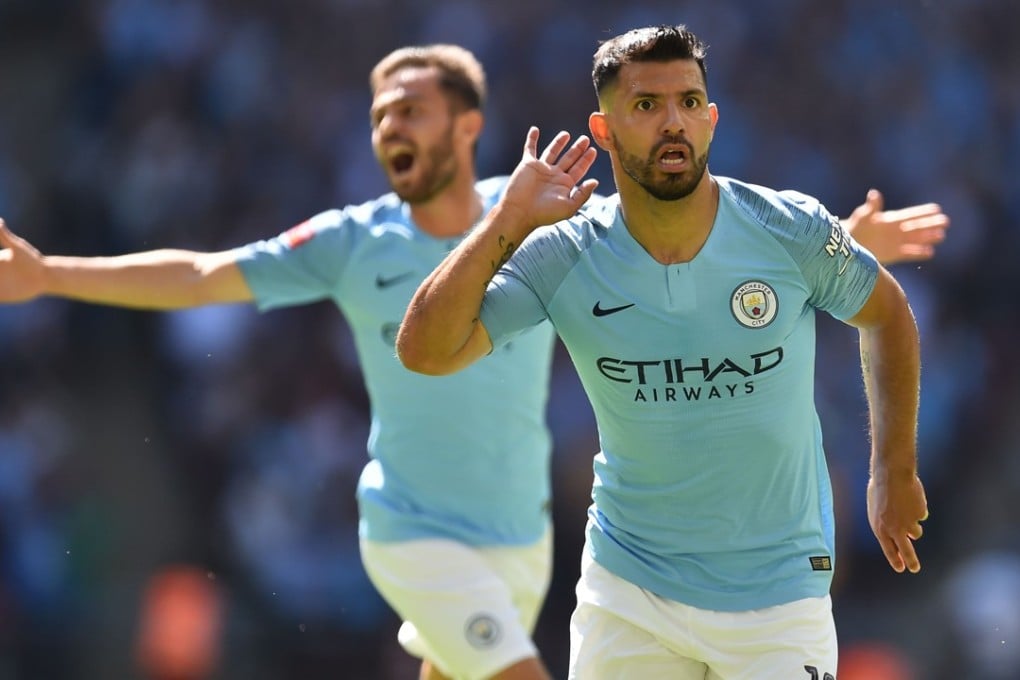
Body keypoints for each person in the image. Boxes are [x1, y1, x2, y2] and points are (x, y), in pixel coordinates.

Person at [0, 40, 943, 680]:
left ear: (467, 126)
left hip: (520, 536)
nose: (389, 131)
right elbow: (206, 275)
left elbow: (695, 242)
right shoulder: (372, 238)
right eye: (378, 116)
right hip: (416, 528)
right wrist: (47, 277)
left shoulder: (545, 213)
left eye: (409, 111)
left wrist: (827, 249)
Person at [396, 25, 930, 680]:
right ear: (605, 129)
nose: (672, 122)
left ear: (710, 120)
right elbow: (424, 350)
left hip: (779, 593)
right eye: (646, 106)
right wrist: (502, 223)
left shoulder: (786, 229)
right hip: (630, 589)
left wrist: (892, 471)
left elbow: (888, 313)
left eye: (687, 102)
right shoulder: (565, 254)